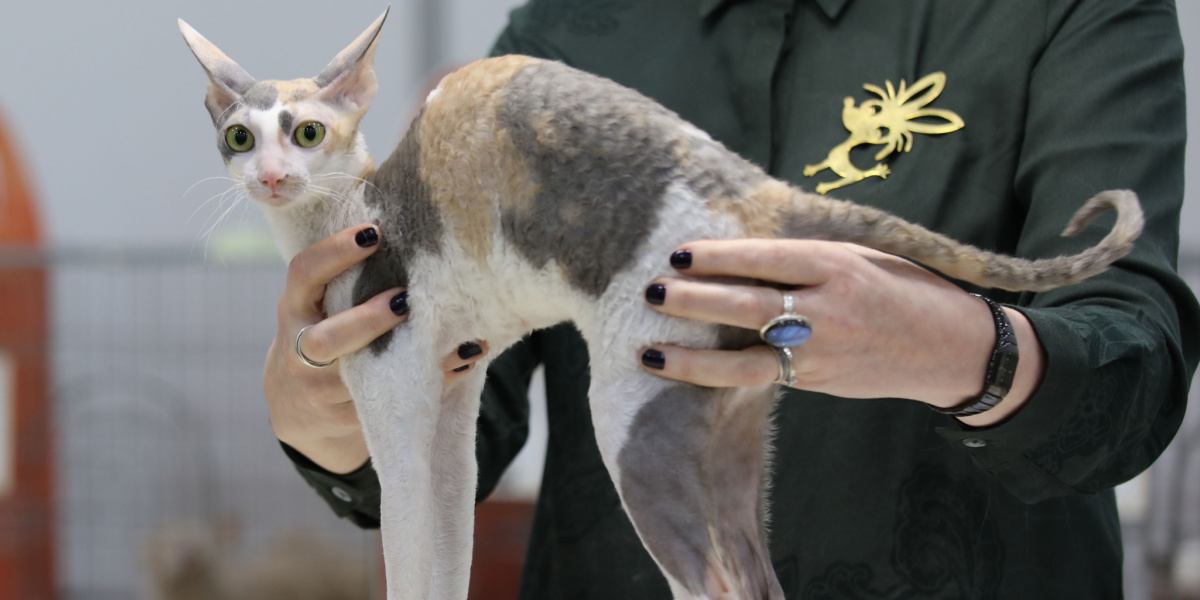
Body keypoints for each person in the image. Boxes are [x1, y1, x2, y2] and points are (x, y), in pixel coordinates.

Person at [267, 0, 1200, 597]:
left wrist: (967, 350)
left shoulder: (1060, 13)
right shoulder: (573, 25)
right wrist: (333, 413)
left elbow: (1134, 375)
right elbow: (470, 413)